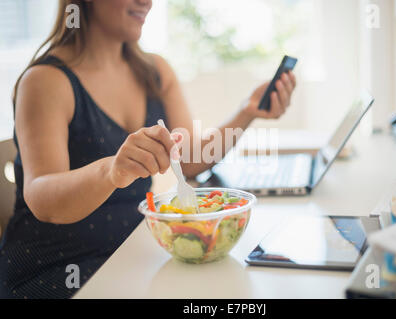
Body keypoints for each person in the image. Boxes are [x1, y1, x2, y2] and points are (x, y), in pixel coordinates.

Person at [0, 0, 296, 299]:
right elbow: (42, 198)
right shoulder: (46, 80)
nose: (147, 2)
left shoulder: (153, 71)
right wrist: (113, 169)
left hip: (129, 252)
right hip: (58, 266)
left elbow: (191, 160)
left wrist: (247, 112)